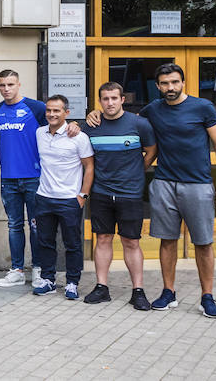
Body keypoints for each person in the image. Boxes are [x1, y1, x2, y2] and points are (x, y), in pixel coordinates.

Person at [89, 63, 216, 318]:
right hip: (164, 182)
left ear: (183, 82)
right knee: (167, 240)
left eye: (175, 82)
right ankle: (168, 292)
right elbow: (120, 117)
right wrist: (94, 113)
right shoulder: (152, 110)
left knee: (204, 242)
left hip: (197, 184)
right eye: (165, 83)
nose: (170, 87)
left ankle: (207, 296)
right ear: (158, 86)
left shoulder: (202, 107)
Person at [79, 82, 155, 309]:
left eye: (114, 98)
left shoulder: (139, 124)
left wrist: (137, 171)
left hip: (130, 193)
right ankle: (102, 287)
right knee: (102, 239)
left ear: (123, 99)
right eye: (105, 99)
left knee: (131, 241)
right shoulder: (91, 125)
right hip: (101, 192)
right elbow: (74, 133)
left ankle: (138, 291)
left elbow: (151, 150)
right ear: (99, 102)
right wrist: (75, 123)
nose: (109, 103)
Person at [30, 95, 94, 300]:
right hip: (44, 197)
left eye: (56, 111)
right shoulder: (40, 133)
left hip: (69, 199)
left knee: (72, 243)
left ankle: (72, 283)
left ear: (66, 113)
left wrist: (82, 195)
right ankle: (48, 280)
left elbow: (89, 167)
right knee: (45, 241)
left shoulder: (78, 137)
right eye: (49, 110)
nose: (51, 114)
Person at [0, 69, 48, 288]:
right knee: (14, 225)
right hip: (9, 179)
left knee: (36, 226)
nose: (6, 89)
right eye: (2, 85)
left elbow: (55, 131)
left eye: (10, 85)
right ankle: (16, 270)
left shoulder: (36, 108)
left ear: (19, 85)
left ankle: (38, 270)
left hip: (34, 177)